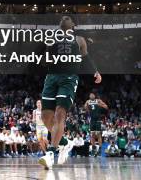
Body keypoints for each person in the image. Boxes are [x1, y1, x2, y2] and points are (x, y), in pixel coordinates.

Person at [38, 15, 101, 170]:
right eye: (62, 18)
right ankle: (65, 143)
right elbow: (46, 58)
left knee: (60, 113)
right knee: (46, 117)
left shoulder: (79, 40)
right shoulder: (52, 38)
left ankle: (51, 154)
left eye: (68, 17)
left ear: (73, 24)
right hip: (51, 77)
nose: (64, 18)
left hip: (69, 78)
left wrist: (95, 71)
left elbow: (86, 58)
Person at [84, 93, 108, 157]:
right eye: (90, 95)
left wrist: (100, 104)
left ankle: (100, 148)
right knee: (92, 134)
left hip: (98, 119)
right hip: (92, 119)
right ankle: (93, 148)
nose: (91, 95)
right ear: (89, 96)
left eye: (93, 94)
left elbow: (106, 107)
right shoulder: (88, 101)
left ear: (95, 96)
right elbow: (85, 109)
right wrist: (86, 107)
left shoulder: (98, 100)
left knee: (98, 134)